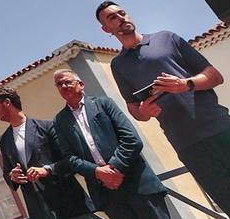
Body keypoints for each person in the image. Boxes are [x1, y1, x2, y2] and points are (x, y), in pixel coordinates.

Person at [97, 1, 230, 219]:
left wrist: (186, 84)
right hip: (187, 145)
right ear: (106, 29)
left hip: (223, 129)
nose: (121, 18)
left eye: (122, 12)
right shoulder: (118, 65)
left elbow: (215, 76)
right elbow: (134, 109)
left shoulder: (167, 38)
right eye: (112, 17)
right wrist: (145, 111)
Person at [50, 69, 170, 219]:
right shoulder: (60, 121)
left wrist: (114, 168)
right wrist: (98, 172)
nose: (64, 86)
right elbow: (70, 158)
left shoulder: (103, 104)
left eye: (68, 82)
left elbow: (132, 139)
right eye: (59, 84)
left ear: (81, 84)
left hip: (137, 184)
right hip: (108, 195)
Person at [0, 85, 97, 219]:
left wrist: (47, 169)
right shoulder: (4, 140)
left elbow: (70, 160)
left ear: (7, 102)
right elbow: (7, 173)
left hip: (70, 205)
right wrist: (13, 176)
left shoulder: (47, 127)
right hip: (40, 211)